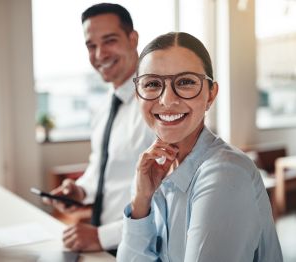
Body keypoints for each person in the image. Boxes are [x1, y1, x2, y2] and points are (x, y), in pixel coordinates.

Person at [117, 32, 283, 261]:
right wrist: (140, 202)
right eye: (153, 84)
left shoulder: (225, 173)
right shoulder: (155, 170)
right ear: (138, 95)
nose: (166, 100)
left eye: (185, 82)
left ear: (211, 94)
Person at [43, 3, 153, 254]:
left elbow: (168, 198)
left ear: (133, 39)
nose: (100, 54)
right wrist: (80, 191)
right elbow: (101, 169)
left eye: (109, 41)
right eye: (91, 46)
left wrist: (101, 236)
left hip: (140, 247)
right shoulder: (104, 108)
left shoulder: (157, 107)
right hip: (102, 246)